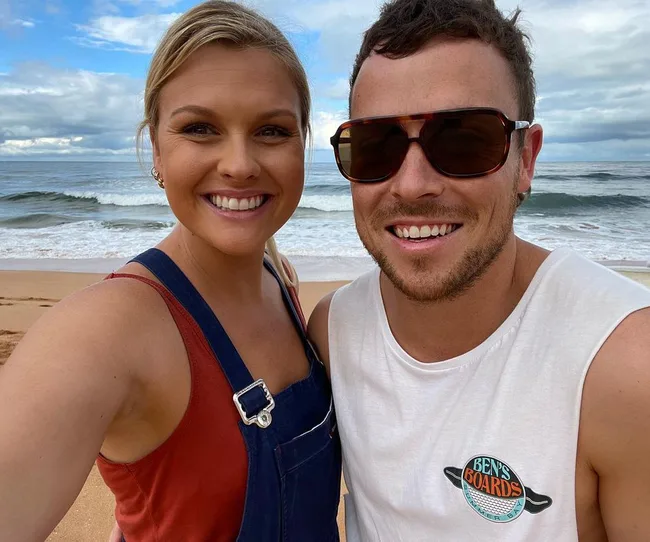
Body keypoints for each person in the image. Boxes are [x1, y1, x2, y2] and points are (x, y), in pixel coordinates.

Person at [309, 0, 650, 540]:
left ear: (526, 160)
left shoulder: (623, 366)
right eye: (377, 146)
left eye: (465, 140)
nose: (412, 183)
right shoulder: (332, 331)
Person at [0, 2, 341, 540]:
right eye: (200, 128)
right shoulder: (106, 329)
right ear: (156, 149)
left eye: (272, 131)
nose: (240, 164)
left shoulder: (283, 280)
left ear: (303, 144)